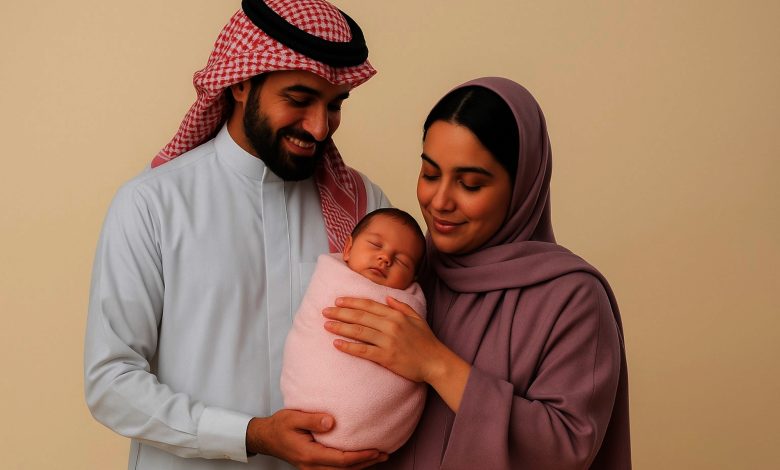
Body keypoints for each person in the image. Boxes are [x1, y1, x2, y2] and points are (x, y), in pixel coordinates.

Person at [83, 1, 392, 469]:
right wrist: (250, 435)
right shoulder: (153, 205)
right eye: (299, 99)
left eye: (334, 105)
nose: (319, 127)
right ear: (242, 83)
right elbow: (111, 382)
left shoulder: (365, 212)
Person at [322, 77, 632, 469]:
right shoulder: (410, 271)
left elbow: (567, 447)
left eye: (470, 184)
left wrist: (435, 363)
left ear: (522, 186)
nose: (440, 201)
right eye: (430, 174)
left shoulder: (572, 298)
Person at [281, 208, 427, 453]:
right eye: (376, 245)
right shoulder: (330, 280)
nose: (385, 258)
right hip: (309, 404)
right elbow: (308, 335)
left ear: (413, 278)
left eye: (402, 261)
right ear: (347, 248)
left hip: (380, 426)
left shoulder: (407, 305)